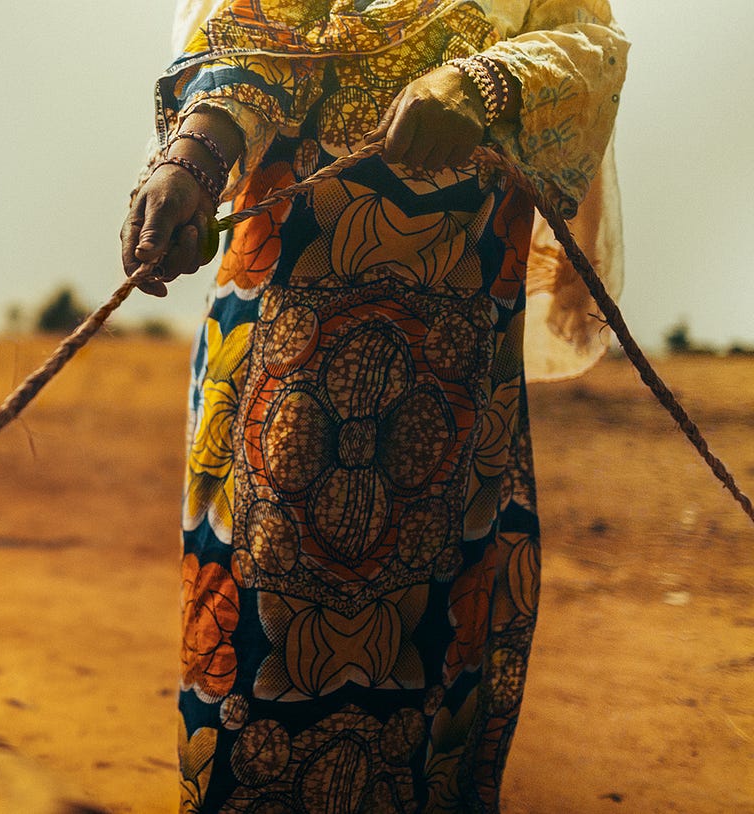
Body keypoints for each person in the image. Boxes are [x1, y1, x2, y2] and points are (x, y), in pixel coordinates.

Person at [121, 1, 628, 811]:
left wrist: (482, 83)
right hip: (277, 341)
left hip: (458, 340)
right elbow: (249, 39)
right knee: (260, 615)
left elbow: (589, 48)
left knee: (434, 621)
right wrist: (191, 162)